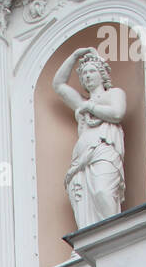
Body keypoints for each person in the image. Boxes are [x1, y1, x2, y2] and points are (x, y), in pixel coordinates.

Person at [53, 47, 126, 228]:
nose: (87, 75)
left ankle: (114, 236)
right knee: (84, 201)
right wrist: (75, 54)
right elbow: (58, 85)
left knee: (102, 191)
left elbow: (117, 113)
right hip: (82, 158)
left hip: (104, 151)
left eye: (92, 71)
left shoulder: (114, 94)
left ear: (102, 74)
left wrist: (90, 109)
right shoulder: (81, 102)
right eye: (84, 73)